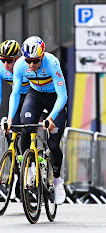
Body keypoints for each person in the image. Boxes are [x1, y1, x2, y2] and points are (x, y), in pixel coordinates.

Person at [6, 36, 68, 205]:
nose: (31, 65)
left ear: (41, 56)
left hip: (54, 98)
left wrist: (51, 117)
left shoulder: (52, 63)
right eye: (28, 61)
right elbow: (16, 93)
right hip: (35, 96)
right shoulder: (20, 65)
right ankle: (31, 168)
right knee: (25, 127)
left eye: (35, 61)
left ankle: (57, 181)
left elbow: (63, 95)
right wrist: (11, 117)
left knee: (53, 144)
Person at [0, 40, 29, 125]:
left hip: (32, 96)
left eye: (9, 61)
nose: (5, 64)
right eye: (3, 60)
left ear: (16, 58)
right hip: (17, 96)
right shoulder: (1, 68)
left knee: (27, 124)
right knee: (13, 127)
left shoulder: (27, 65)